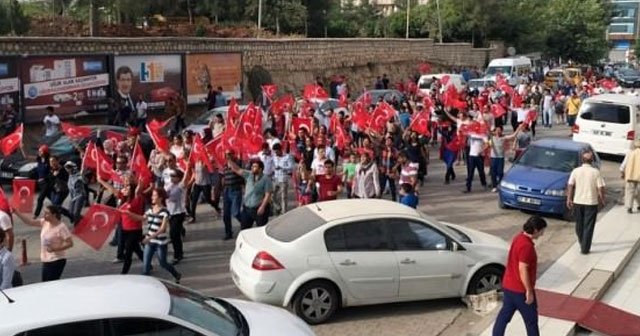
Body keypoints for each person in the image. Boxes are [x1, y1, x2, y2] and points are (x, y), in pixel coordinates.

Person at [492, 215, 547, 336]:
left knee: (504, 315)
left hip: (508, 285)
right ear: (536, 230)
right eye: (542, 231)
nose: (542, 234)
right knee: (531, 320)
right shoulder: (527, 247)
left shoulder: (519, 237)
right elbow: (523, 268)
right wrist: (528, 290)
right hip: (520, 290)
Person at [98, 175, 145, 275]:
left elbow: (138, 189)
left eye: (127, 187)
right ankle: (147, 262)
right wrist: (100, 179)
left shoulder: (137, 199)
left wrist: (139, 181)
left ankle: (124, 273)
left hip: (135, 230)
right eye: (124, 187)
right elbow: (111, 188)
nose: (124, 189)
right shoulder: (123, 200)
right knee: (136, 249)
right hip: (124, 229)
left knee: (128, 251)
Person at [13, 205, 73, 282]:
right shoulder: (45, 222)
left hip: (57, 260)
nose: (44, 215)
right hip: (46, 259)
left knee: (50, 284)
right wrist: (16, 212)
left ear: (54, 215)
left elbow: (70, 243)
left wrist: (55, 249)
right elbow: (30, 222)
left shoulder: (61, 227)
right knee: (45, 284)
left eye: (46, 213)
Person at [566, 151, 606, 255]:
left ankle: (581, 242)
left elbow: (570, 185)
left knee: (579, 224)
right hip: (591, 202)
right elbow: (600, 187)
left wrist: (569, 198)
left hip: (578, 201)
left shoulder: (576, 171)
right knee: (588, 226)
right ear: (592, 161)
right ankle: (585, 248)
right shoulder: (595, 172)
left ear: (582, 160)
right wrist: (602, 199)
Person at [140, 188, 182, 283]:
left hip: (160, 242)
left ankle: (176, 274)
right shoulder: (150, 210)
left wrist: (149, 237)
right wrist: (128, 214)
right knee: (145, 267)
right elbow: (142, 218)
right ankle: (146, 285)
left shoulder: (165, 212)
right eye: (152, 195)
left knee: (163, 263)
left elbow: (162, 229)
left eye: (154, 195)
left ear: (160, 198)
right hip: (150, 242)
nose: (152, 197)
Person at [226, 158, 273, 229]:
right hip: (247, 209)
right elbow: (237, 169)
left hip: (259, 209)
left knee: (261, 229)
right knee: (244, 229)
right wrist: (229, 159)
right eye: (252, 166)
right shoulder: (249, 175)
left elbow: (267, 194)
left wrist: (262, 207)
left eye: (255, 166)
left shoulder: (266, 179)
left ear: (260, 169)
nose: (252, 168)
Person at [164, 169, 188, 264]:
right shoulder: (170, 185)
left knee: (173, 234)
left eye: (174, 176)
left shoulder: (180, 186)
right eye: (171, 176)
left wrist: (188, 167)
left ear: (179, 178)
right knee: (175, 235)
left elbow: (172, 197)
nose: (172, 178)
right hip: (171, 212)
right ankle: (179, 253)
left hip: (179, 213)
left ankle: (177, 255)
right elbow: (164, 193)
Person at [221, 150, 244, 240]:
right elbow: (223, 177)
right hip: (227, 190)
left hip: (236, 190)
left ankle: (245, 224)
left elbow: (242, 173)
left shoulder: (238, 162)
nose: (228, 156)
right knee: (226, 214)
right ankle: (228, 232)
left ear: (234, 155)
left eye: (230, 154)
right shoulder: (225, 165)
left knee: (235, 212)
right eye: (226, 154)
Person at [271, 143, 293, 215]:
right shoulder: (274, 157)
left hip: (283, 179)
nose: (276, 153)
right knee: (272, 195)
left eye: (277, 151)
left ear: (280, 150)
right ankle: (278, 207)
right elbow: (273, 165)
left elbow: (291, 167)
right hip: (275, 178)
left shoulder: (287, 156)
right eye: (274, 152)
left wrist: (282, 168)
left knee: (283, 197)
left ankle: (284, 212)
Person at [620, 140, 640, 213]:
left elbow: (623, 165)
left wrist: (622, 173)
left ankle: (629, 207)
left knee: (629, 192)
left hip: (630, 176)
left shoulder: (630, 153)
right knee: (638, 192)